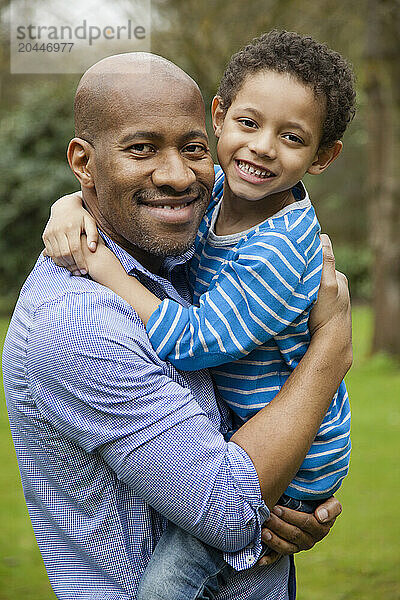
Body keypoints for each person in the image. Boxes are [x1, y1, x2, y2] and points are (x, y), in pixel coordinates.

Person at [3, 52, 351, 600]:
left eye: (191, 149)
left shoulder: (186, 243)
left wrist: (80, 207)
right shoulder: (76, 321)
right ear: (83, 162)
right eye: (142, 149)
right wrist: (331, 349)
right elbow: (232, 511)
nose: (177, 175)